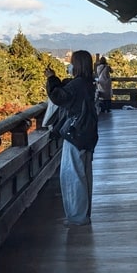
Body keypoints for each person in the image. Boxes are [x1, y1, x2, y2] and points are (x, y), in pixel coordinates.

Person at [45, 50, 98, 226]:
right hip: (87, 133)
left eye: (72, 62)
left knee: (72, 175)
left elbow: (59, 97)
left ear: (77, 65)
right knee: (84, 174)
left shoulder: (78, 85)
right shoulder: (87, 83)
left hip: (76, 133)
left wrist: (51, 79)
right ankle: (83, 214)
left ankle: (77, 216)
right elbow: (69, 91)